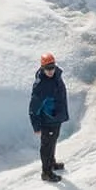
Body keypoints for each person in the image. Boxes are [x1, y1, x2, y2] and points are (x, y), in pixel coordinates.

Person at [29, 53, 70, 182]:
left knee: (53, 142)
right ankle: (46, 172)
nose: (50, 71)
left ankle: (52, 163)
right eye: (47, 68)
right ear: (42, 68)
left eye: (52, 67)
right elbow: (33, 108)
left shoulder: (57, 76)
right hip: (48, 120)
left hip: (56, 118)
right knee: (46, 146)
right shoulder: (40, 86)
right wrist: (36, 126)